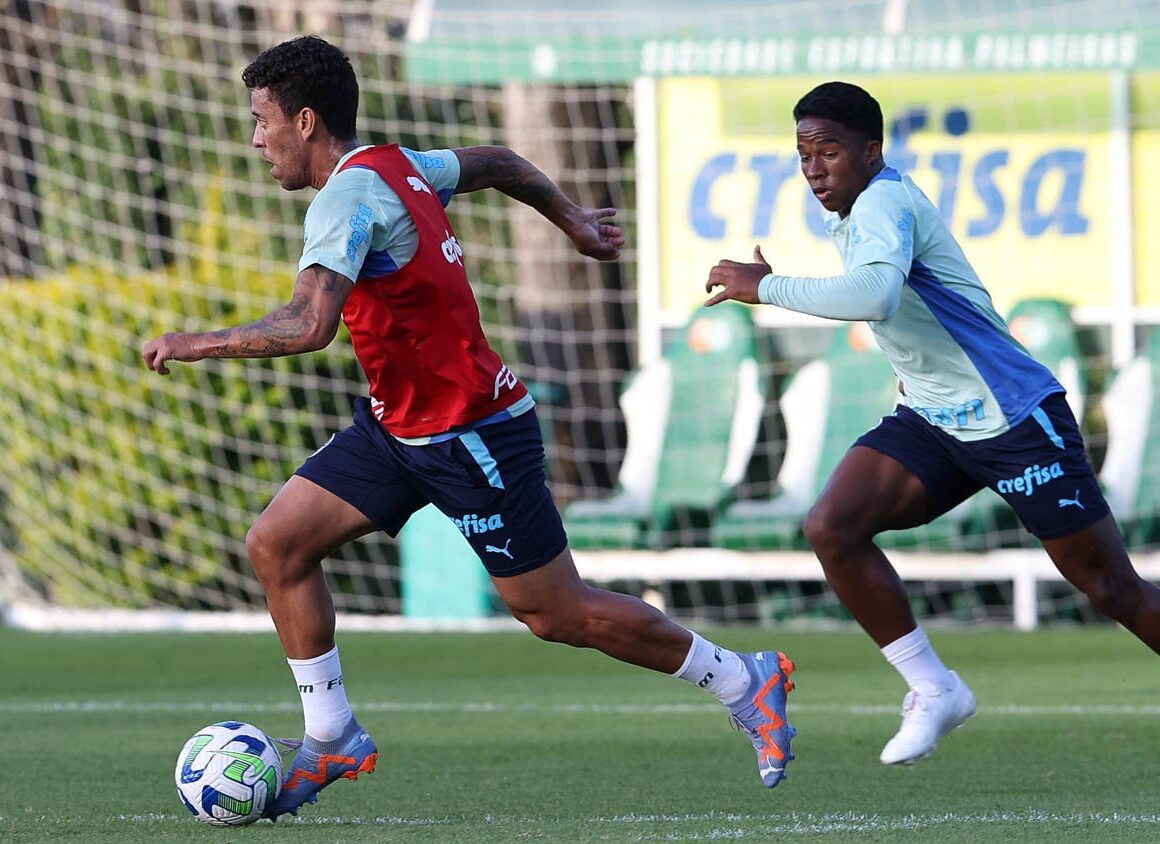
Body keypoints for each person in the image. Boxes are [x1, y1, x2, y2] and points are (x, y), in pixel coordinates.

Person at [142, 35, 796, 816]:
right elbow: (495, 161)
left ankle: (741, 679)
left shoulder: (347, 198)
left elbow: (309, 323)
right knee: (278, 544)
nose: (256, 139)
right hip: (398, 428)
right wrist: (573, 221)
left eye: (262, 121)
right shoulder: (401, 164)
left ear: (306, 121)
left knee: (554, 613)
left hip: (473, 433)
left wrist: (197, 343)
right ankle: (332, 737)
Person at [704, 81, 1160, 792]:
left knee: (1109, 588)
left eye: (828, 151)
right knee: (833, 525)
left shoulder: (885, 198)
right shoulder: (852, 211)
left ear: (871, 151)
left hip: (1012, 418)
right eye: (803, 154)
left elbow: (875, 296)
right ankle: (935, 688)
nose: (814, 167)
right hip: (934, 417)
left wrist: (765, 287)